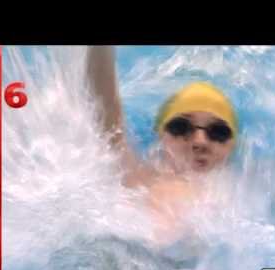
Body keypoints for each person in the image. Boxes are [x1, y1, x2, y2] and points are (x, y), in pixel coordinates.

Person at [86, 46, 239, 247]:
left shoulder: (256, 192)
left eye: (218, 132)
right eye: (181, 127)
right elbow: (105, 109)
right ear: (161, 136)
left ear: (233, 145)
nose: (199, 141)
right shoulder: (139, 179)